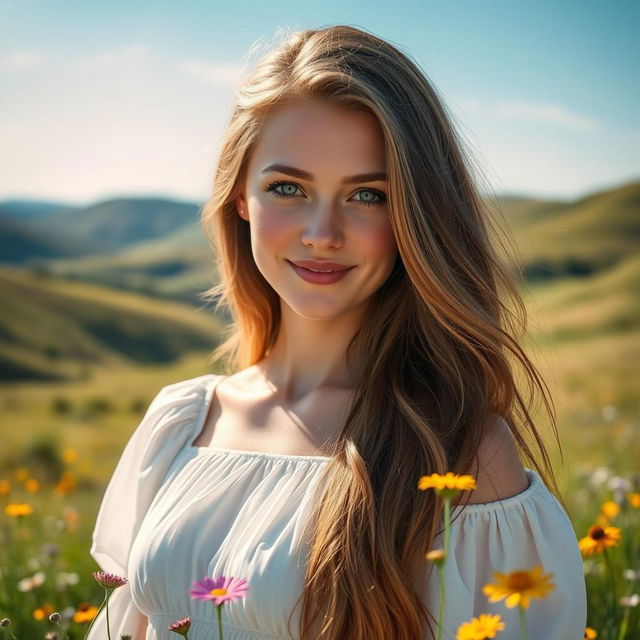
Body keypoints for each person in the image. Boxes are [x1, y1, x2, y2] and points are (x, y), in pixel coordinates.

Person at [88, 24, 587, 640]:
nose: (322, 232)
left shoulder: (457, 450)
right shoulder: (180, 422)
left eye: (368, 195)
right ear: (241, 197)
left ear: (415, 215)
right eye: (288, 188)